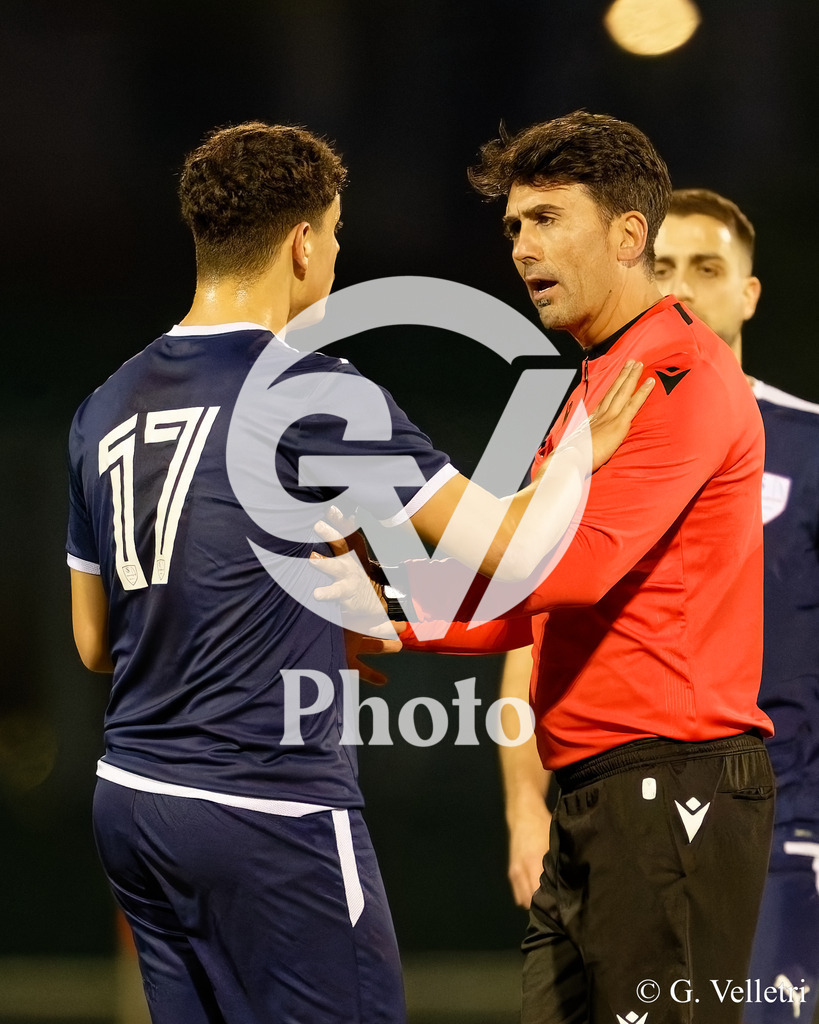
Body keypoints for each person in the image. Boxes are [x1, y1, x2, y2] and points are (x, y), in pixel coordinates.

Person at [66, 121, 650, 1024]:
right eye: (335, 237)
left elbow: (97, 640)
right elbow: (503, 545)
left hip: (134, 804)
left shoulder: (102, 406)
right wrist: (583, 450)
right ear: (303, 244)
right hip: (267, 805)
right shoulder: (309, 390)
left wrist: (290, 621)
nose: (335, 257)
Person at [338, 113, 776, 1024]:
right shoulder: (594, 385)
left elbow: (565, 572)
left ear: (626, 236)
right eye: (513, 227)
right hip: (601, 793)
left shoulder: (675, 373)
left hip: (672, 789)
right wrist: (386, 615)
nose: (521, 247)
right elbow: (527, 601)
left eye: (546, 219)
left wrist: (395, 577)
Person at [654, 188, 819, 1024]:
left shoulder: (810, 447)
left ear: (747, 292)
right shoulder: (589, 449)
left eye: (706, 267)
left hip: (778, 832)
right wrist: (527, 806)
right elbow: (541, 628)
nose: (681, 288)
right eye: (662, 268)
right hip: (631, 836)